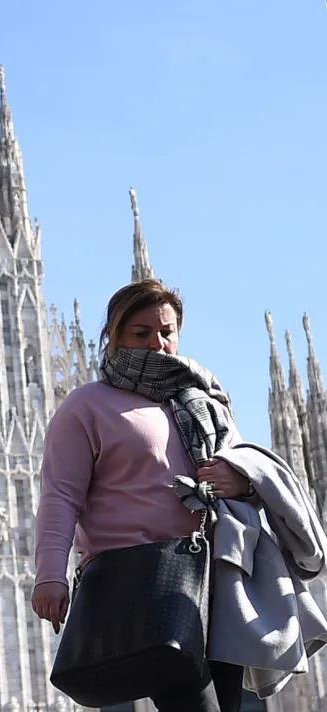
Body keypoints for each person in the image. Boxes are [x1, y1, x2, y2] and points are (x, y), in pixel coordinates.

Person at [32, 279, 327, 711]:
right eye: (142, 332)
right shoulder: (86, 406)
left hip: (217, 575)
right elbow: (60, 496)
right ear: (114, 335)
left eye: (166, 332)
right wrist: (50, 574)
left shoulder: (200, 398)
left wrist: (243, 481)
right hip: (142, 579)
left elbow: (238, 464)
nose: (158, 343)